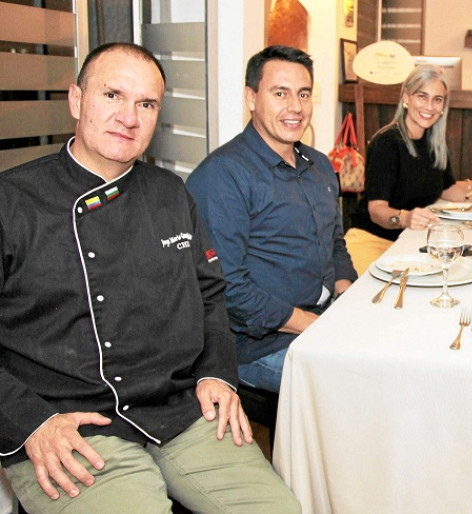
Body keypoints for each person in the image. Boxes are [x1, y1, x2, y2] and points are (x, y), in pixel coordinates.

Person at [0, 43, 299, 513]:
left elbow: (210, 295)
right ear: (76, 100)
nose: (129, 117)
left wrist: (218, 375)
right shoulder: (11, 202)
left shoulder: (171, 193)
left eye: (146, 104)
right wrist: (31, 421)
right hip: (67, 424)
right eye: (113, 96)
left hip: (177, 409)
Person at [187, 46, 357, 394]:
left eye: (303, 94)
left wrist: (348, 300)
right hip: (257, 344)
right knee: (358, 386)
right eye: (280, 93)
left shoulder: (320, 165)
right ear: (251, 97)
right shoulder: (223, 176)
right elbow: (228, 288)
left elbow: (335, 244)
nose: (295, 107)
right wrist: (316, 325)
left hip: (324, 317)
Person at [346, 65, 472, 271]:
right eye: (422, 96)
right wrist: (405, 217)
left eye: (437, 99)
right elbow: (376, 210)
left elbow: (447, 189)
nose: (429, 106)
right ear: (406, 96)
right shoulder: (387, 142)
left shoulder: (435, 144)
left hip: (411, 242)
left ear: (443, 106)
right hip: (372, 240)